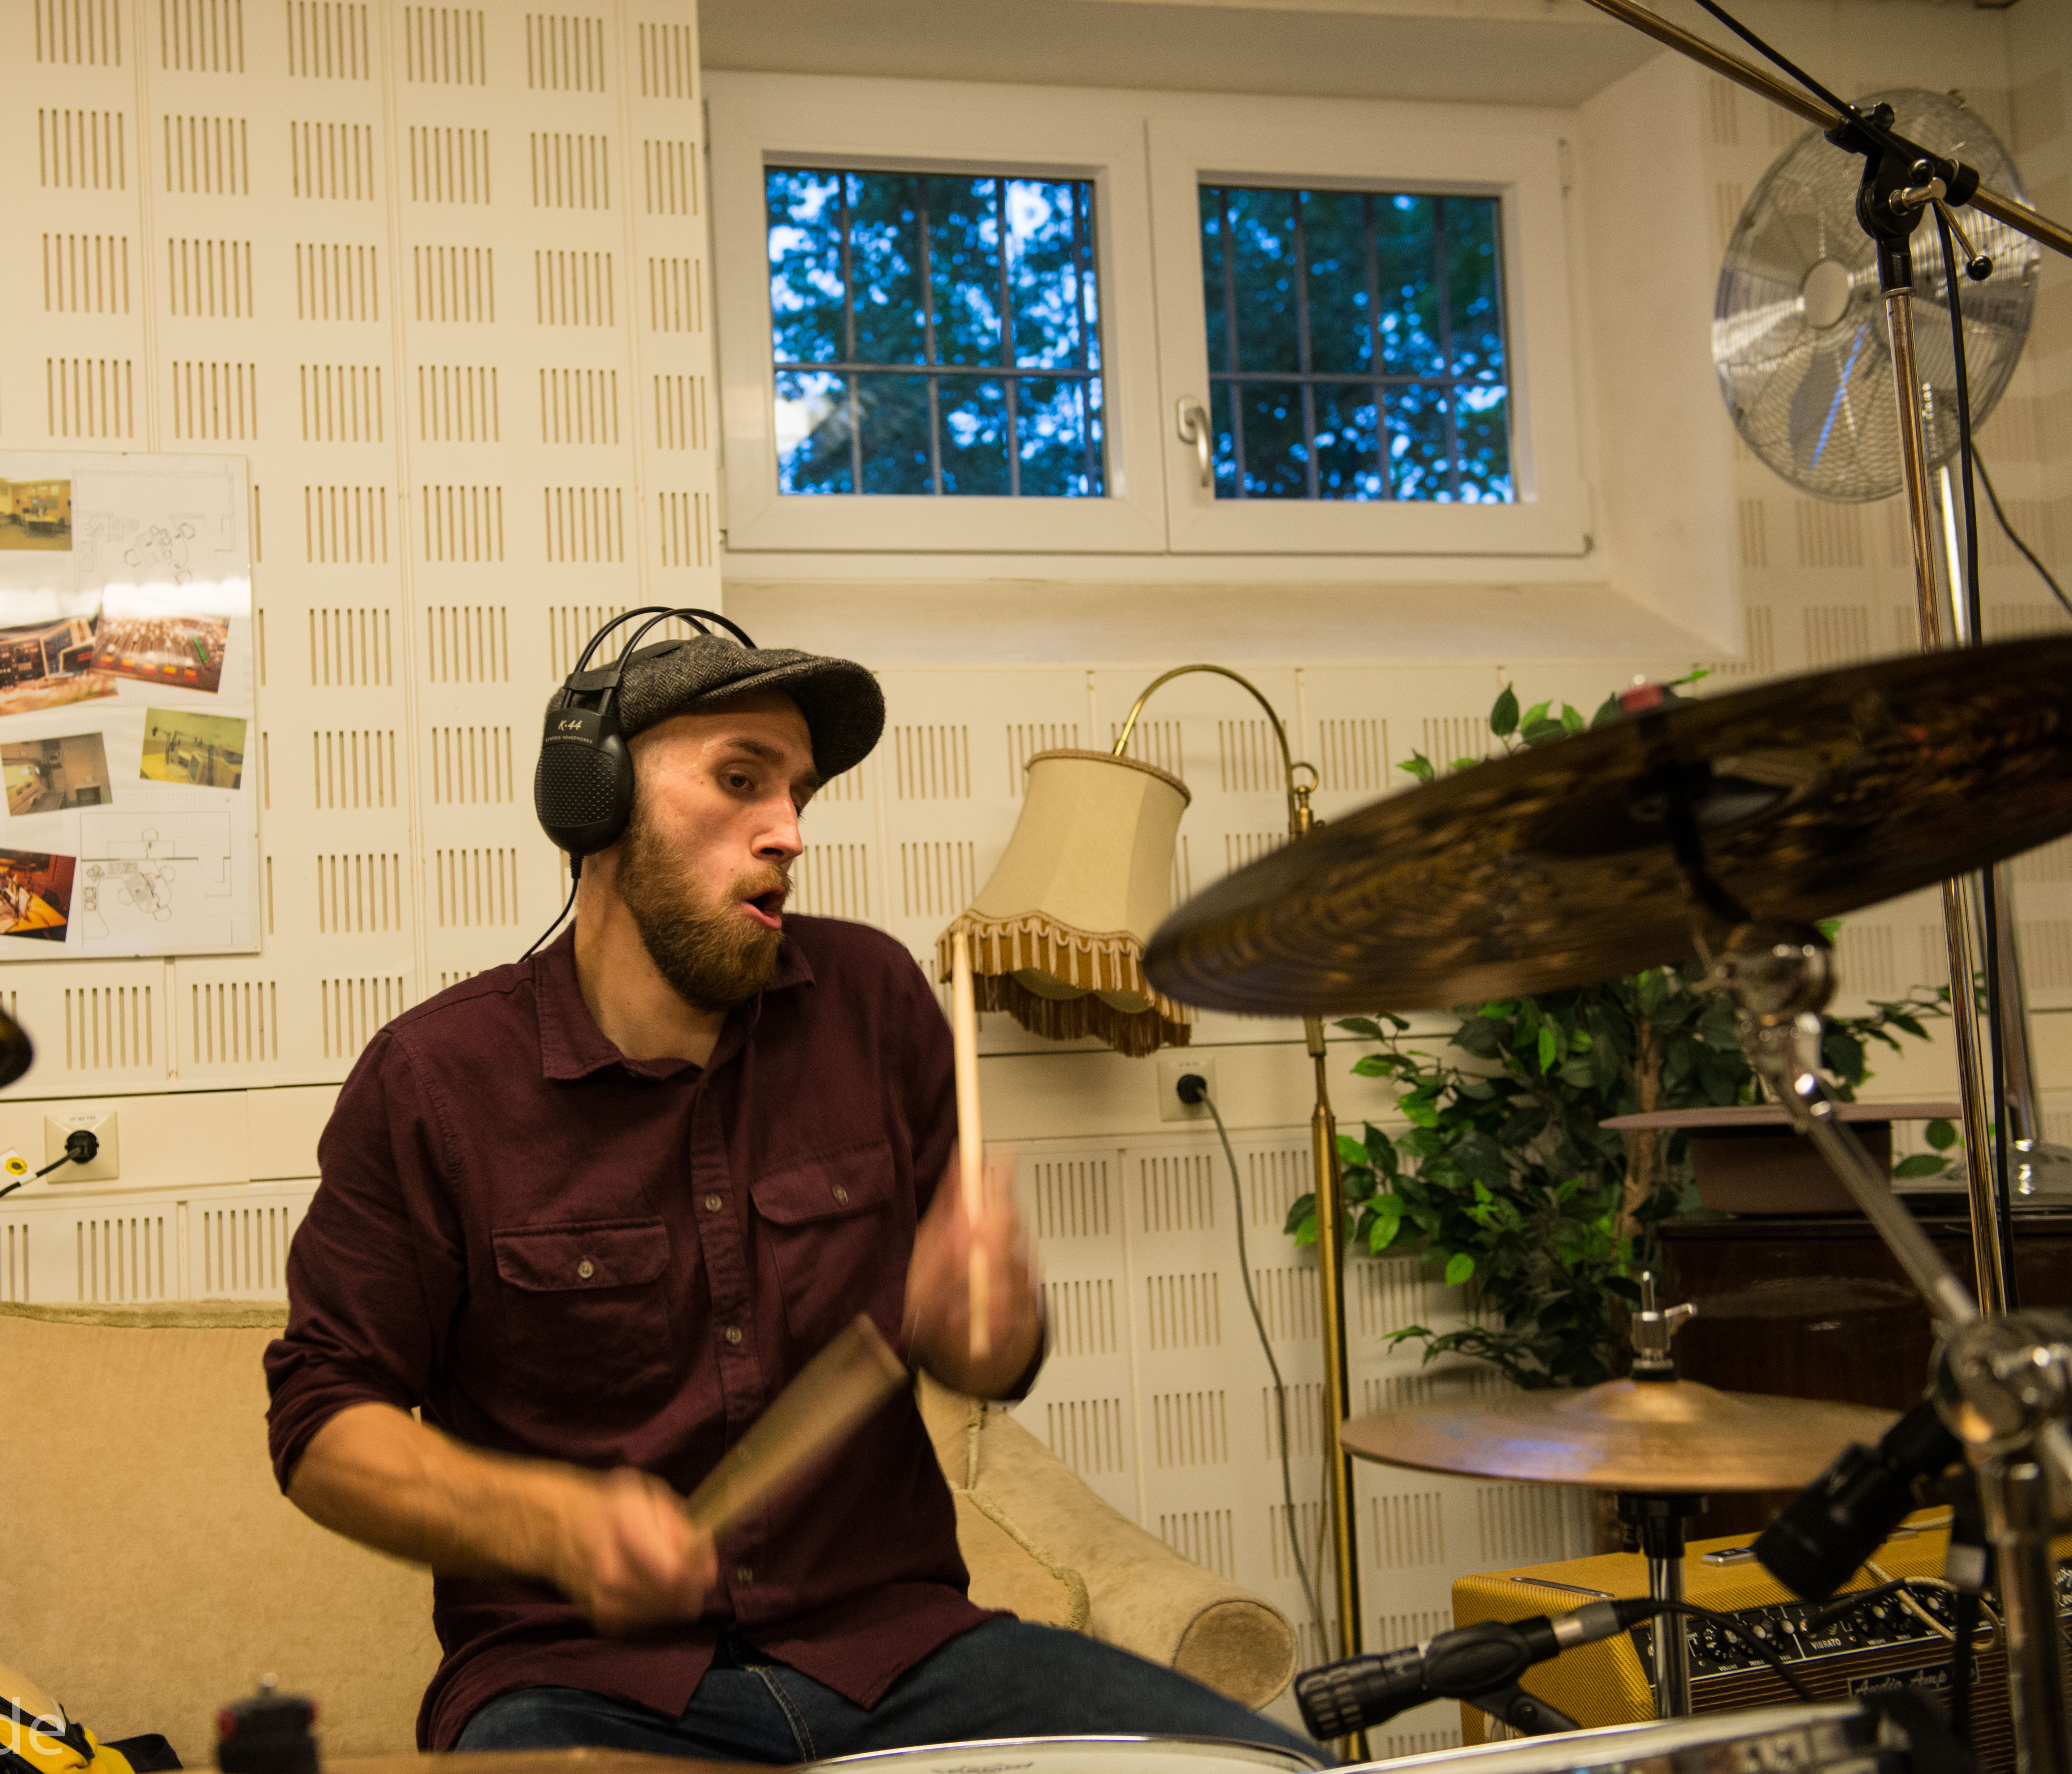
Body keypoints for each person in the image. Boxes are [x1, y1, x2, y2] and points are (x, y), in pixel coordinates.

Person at [264, 635, 1326, 1766]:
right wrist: (550, 1523)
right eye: (740, 779)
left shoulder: (875, 1001)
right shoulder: (436, 1080)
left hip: (901, 1656)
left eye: (798, 794)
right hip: (583, 1679)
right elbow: (323, 1421)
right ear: (595, 801)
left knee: (1274, 1767)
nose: (789, 832)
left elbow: (979, 1360)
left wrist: (990, 1328)